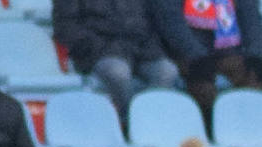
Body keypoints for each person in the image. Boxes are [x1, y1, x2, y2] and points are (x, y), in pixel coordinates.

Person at [52, 0, 180, 130]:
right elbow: (65, 27)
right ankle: (129, 122)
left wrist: (152, 48)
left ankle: (151, 120)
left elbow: (151, 23)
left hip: (141, 48)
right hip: (98, 52)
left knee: (167, 71)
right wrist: (94, 47)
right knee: (117, 72)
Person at [153, 0, 262, 139]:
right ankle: (208, 136)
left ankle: (248, 133)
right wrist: (196, 55)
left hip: (227, 49)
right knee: (203, 84)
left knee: (253, 75)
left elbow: (252, 19)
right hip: (188, 52)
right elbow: (171, 21)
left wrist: (256, 55)